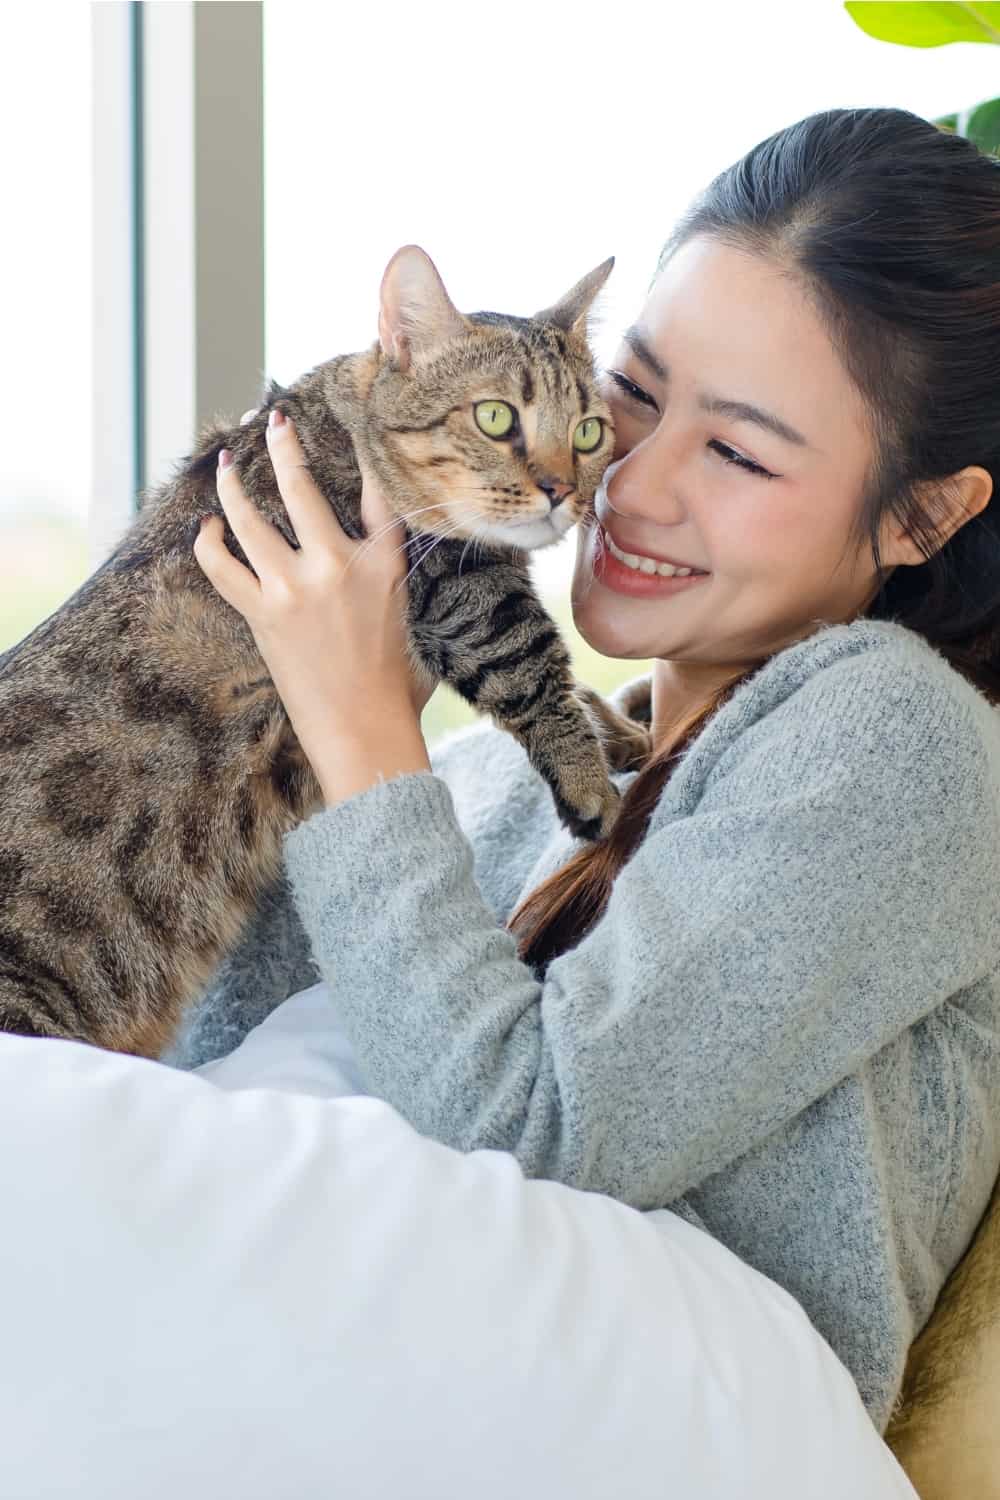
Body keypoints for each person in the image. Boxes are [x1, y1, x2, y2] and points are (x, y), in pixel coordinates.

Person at [177, 105, 1000, 1479]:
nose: (620, 481)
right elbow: (209, 1060)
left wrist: (359, 722)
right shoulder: (508, 784)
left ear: (922, 516)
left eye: (737, 453)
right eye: (631, 392)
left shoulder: (902, 743)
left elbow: (534, 1131)